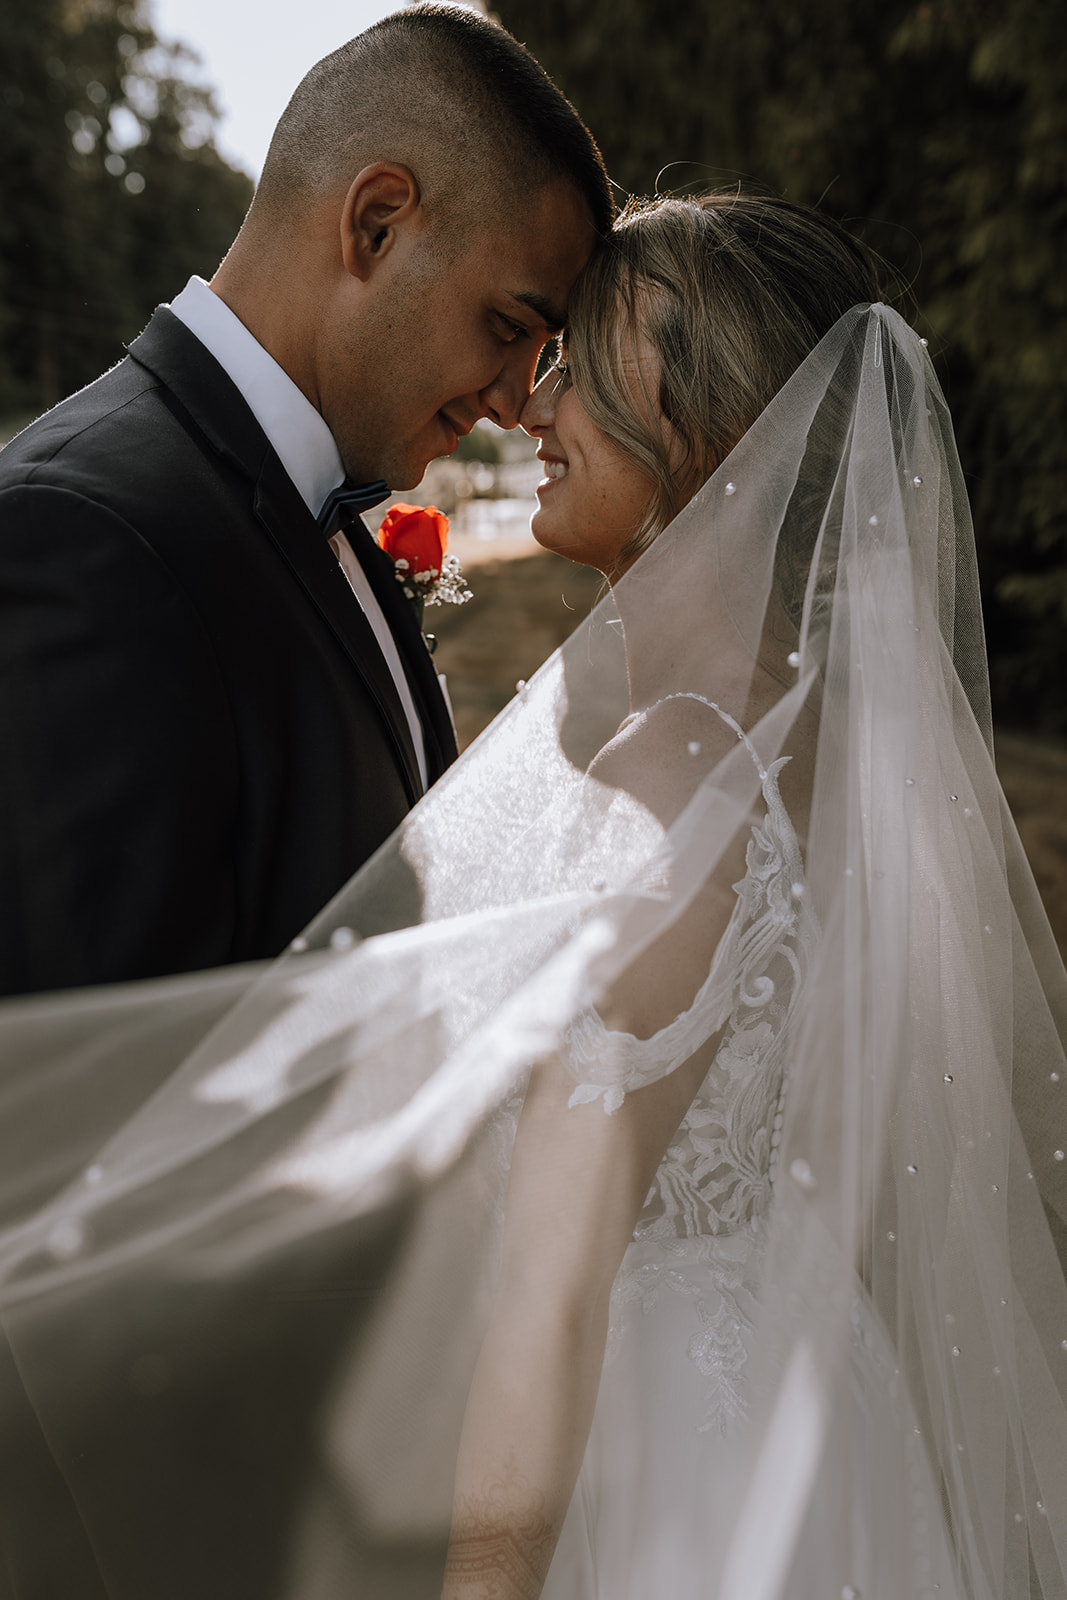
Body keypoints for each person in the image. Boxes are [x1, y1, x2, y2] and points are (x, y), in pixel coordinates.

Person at [0, 191, 1064, 1600]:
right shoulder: (803, 741)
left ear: (703, 426)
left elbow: (553, 1296)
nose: (530, 406)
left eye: (575, 367)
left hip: (649, 1485)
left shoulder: (675, 768)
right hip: (797, 1421)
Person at [0, 1, 608, 998]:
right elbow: (95, 1098)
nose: (513, 399)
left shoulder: (311, 504)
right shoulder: (85, 536)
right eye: (507, 325)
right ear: (375, 223)